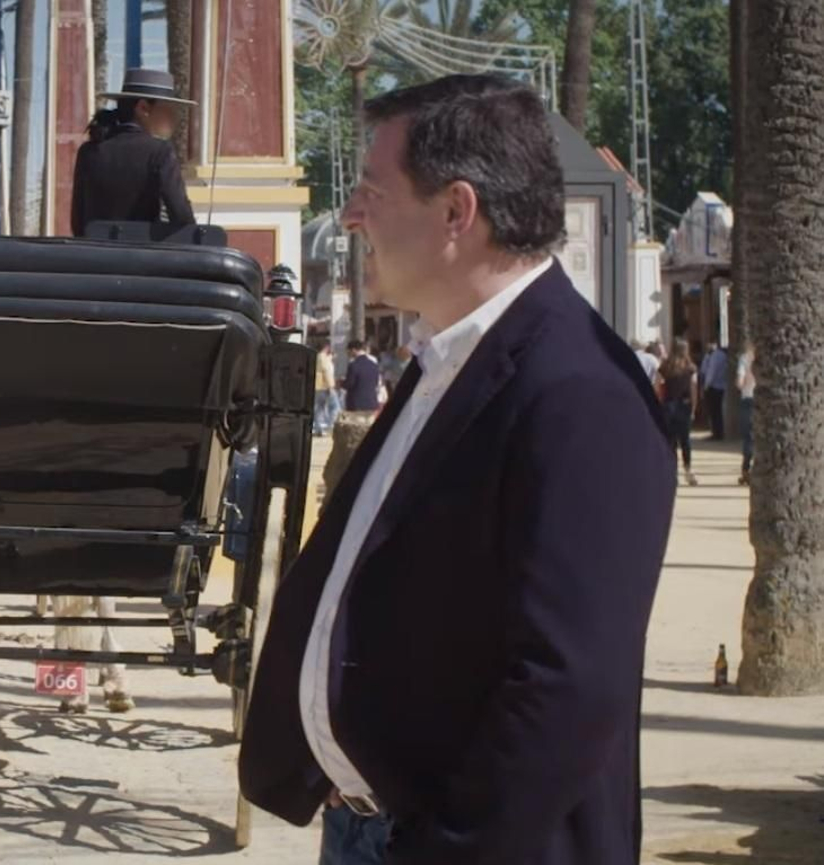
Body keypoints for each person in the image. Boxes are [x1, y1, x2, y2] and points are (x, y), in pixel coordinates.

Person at [239, 75, 675, 865]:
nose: (351, 215)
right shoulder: (450, 360)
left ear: (455, 212)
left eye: (373, 190)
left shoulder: (581, 394)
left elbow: (567, 687)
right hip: (372, 826)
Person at [69, 69, 196, 238]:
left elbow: (78, 223)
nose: (174, 117)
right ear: (143, 108)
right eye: (168, 109)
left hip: (95, 259)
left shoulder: (88, 152)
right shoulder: (159, 152)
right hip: (143, 259)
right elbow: (181, 216)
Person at [657, 337, 699, 486]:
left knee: (671, 440)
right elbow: (694, 389)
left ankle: (671, 471)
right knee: (685, 440)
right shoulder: (691, 368)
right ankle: (688, 471)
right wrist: (694, 407)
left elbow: (658, 387)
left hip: (668, 406)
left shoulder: (665, 367)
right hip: (684, 406)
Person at [340, 339, 381, 412]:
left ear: (353, 350)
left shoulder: (353, 365)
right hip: (372, 402)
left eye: (348, 352)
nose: (348, 354)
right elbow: (376, 382)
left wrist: (341, 383)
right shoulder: (374, 365)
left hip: (356, 403)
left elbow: (349, 384)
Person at [699, 343, 728, 440]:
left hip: (714, 387)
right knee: (715, 412)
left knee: (714, 412)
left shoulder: (716, 356)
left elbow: (711, 372)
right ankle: (716, 432)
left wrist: (706, 386)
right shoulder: (712, 355)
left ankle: (717, 433)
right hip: (718, 386)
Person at [737, 343, 756, 485]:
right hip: (765, 399)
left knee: (748, 436)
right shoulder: (768, 355)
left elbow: (739, 382)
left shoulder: (744, 359)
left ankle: (746, 470)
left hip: (748, 398)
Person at [313, 341, 339, 436]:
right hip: (325, 386)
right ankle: (330, 426)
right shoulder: (323, 358)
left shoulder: (317, 357)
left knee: (319, 409)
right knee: (335, 407)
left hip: (318, 385)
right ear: (327, 347)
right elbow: (327, 372)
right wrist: (331, 386)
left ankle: (319, 428)